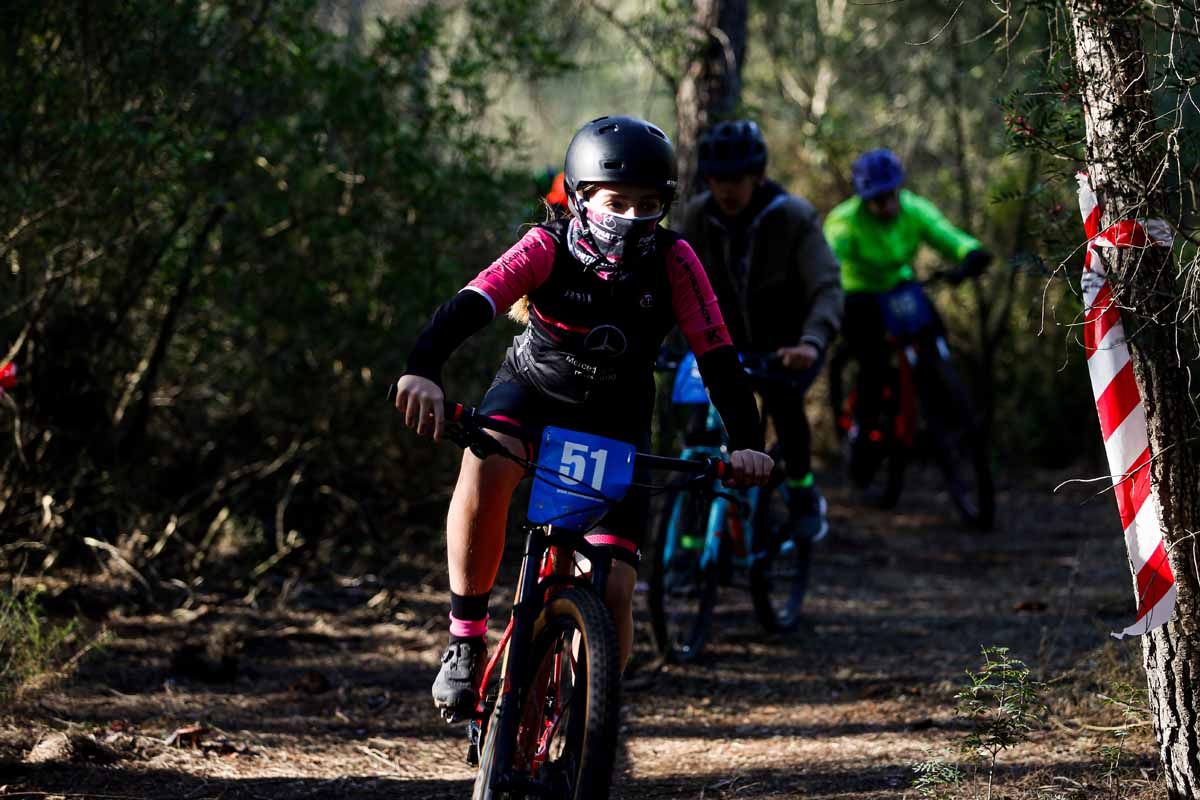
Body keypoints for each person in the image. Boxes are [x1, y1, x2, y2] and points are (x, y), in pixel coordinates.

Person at [393, 115, 774, 719]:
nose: (630, 217)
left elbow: (719, 357)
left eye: (647, 204)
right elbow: (475, 301)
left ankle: (585, 721)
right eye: (615, 201)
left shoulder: (676, 260)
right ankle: (464, 641)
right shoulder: (546, 245)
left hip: (617, 416)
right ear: (578, 199)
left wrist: (748, 442)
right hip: (532, 391)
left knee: (617, 587)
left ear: (666, 206)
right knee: (486, 463)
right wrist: (422, 366)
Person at [680, 120, 843, 542]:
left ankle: (805, 496)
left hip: (787, 344)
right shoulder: (698, 217)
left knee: (785, 404)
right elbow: (669, 281)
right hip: (723, 347)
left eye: (736, 179)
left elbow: (826, 286)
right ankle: (693, 537)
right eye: (717, 180)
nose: (726, 190)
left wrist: (811, 342)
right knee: (697, 427)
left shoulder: (793, 217)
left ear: (758, 176)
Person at [823, 148, 992, 488]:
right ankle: (862, 428)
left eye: (891, 196)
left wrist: (969, 252)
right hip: (857, 292)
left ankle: (939, 393)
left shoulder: (912, 209)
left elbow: (944, 233)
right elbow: (829, 261)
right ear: (864, 198)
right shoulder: (844, 221)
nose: (887, 205)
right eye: (878, 200)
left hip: (899, 288)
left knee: (933, 334)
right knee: (872, 360)